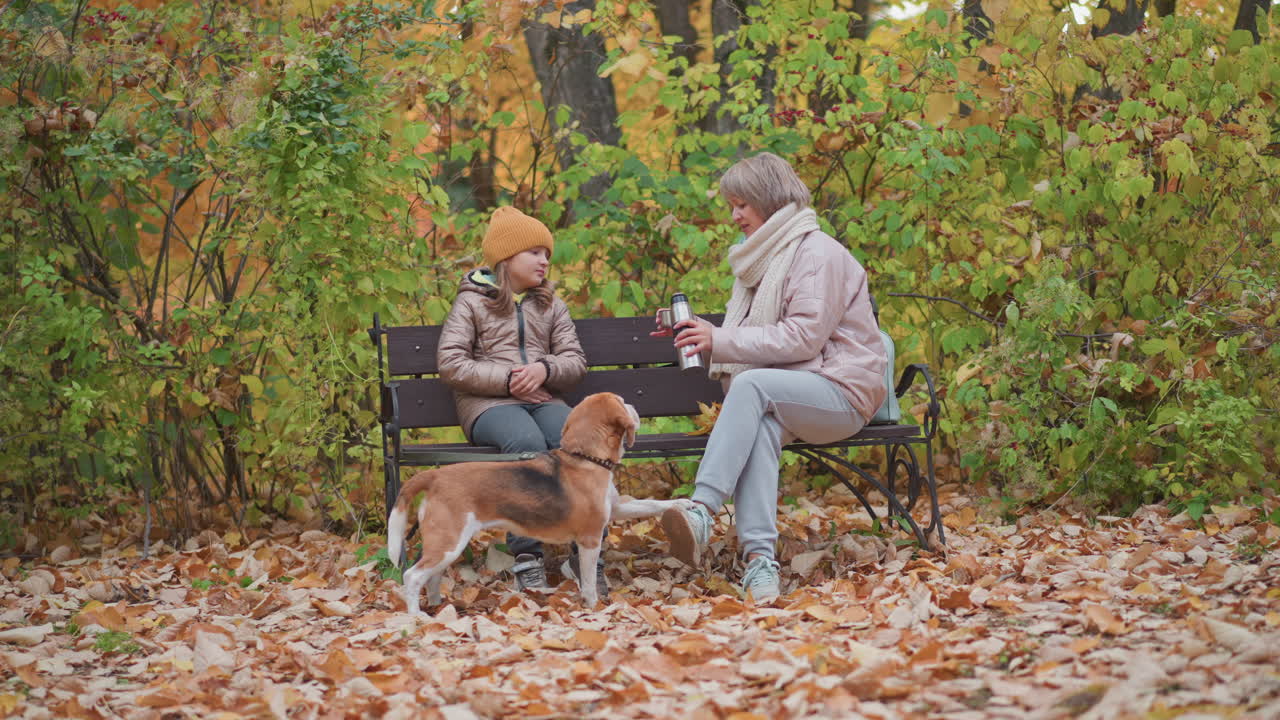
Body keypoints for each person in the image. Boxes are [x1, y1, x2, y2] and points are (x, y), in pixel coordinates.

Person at [654, 152, 888, 603]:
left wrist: (719, 340)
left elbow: (801, 337)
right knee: (758, 429)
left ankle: (702, 508)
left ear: (768, 198)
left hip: (842, 391)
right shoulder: (764, 259)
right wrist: (695, 328)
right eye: (731, 207)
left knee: (751, 384)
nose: (735, 216)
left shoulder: (816, 253)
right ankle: (760, 564)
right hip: (796, 391)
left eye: (742, 204)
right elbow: (762, 331)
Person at [436, 206, 599, 596]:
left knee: (576, 444)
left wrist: (544, 370)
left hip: (544, 400)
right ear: (507, 258)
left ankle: (586, 551)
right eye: (535, 252)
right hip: (489, 407)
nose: (545, 260)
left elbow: (575, 360)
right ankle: (527, 557)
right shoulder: (473, 302)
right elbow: (451, 362)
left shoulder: (550, 306)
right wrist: (510, 381)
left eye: (547, 253)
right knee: (526, 445)